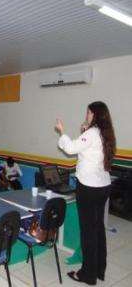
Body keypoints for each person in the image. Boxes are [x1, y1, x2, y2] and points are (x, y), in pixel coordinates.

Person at [55, 101, 116, 285]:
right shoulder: (106, 134)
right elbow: (90, 153)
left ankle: (87, 275)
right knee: (98, 229)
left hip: (88, 188)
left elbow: (70, 148)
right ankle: (99, 270)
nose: (86, 115)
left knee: (88, 232)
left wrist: (61, 132)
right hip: (103, 186)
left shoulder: (92, 133)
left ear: (95, 115)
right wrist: (84, 132)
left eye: (88, 113)